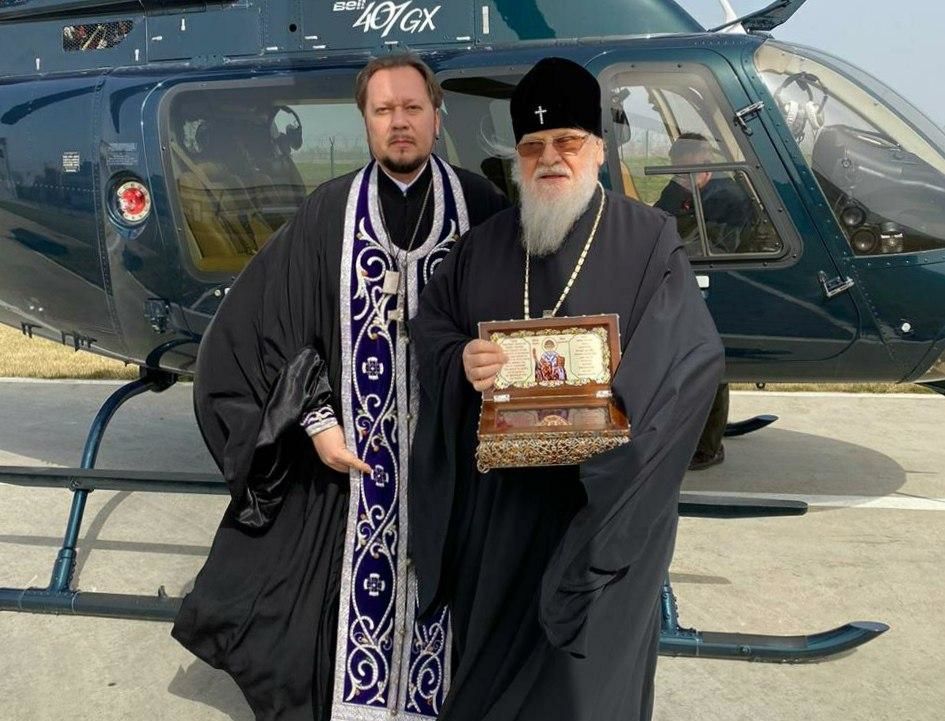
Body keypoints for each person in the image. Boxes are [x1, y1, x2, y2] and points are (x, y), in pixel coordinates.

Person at [171, 54, 507, 721]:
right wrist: (319, 422)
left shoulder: (482, 208)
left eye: (412, 108)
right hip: (355, 462)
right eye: (383, 111)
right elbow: (272, 323)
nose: (399, 122)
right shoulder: (330, 212)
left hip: (460, 462)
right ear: (365, 122)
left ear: (436, 117)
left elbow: (523, 310)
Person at [409, 57, 724, 721]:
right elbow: (431, 325)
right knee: (489, 675)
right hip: (501, 512)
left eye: (567, 142)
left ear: (599, 149)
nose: (549, 157)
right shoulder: (481, 248)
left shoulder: (649, 242)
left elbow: (687, 367)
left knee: (589, 687)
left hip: (602, 509)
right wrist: (459, 357)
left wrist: (605, 464)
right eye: (532, 146)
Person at [655, 133, 742, 471]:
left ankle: (708, 447)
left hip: (718, 279)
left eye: (687, 166)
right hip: (688, 278)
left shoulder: (725, 194)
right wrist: (681, 190)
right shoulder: (684, 188)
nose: (681, 172)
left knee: (708, 362)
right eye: (677, 167)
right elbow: (659, 221)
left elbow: (714, 243)